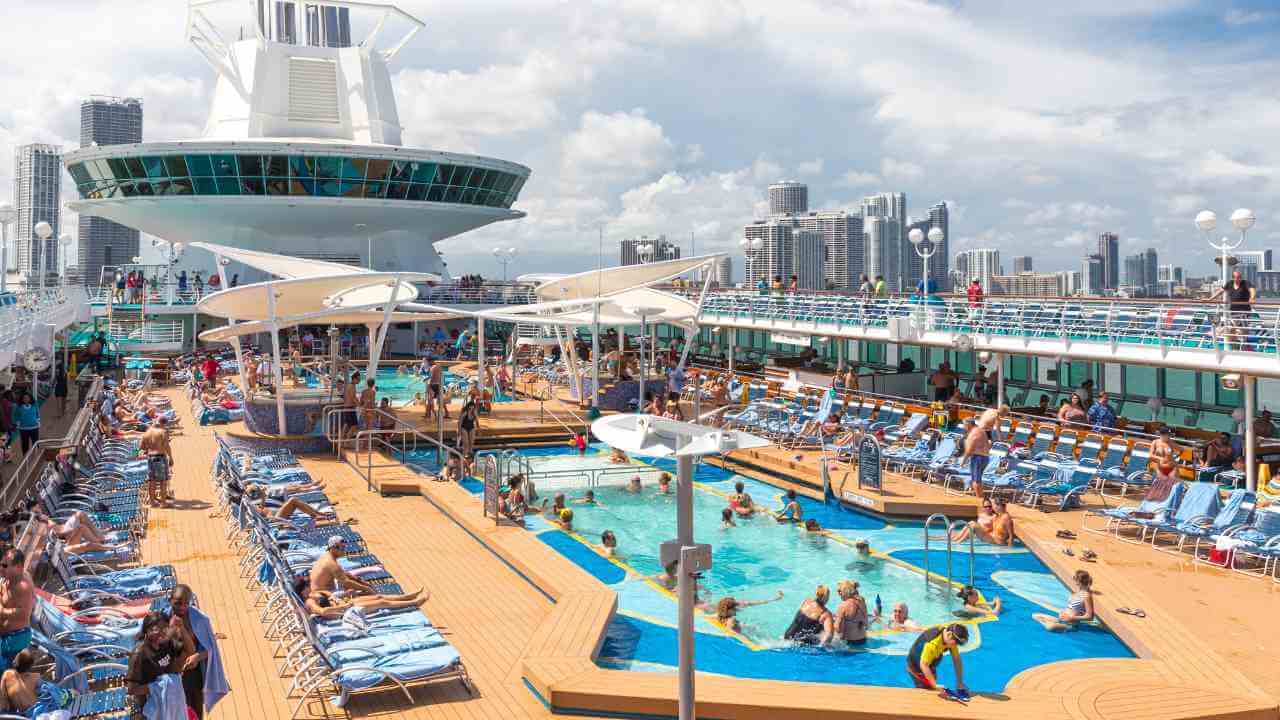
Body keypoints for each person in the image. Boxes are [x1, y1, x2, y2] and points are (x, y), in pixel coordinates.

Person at [167, 584, 229, 719]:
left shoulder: (200, 620)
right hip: (173, 671)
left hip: (194, 673)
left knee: (195, 710)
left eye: (186, 603)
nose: (182, 607)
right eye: (178, 603)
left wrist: (197, 656)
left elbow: (211, 649)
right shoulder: (164, 619)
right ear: (170, 600)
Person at [126, 612, 183, 719]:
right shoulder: (139, 654)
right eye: (156, 629)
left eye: (164, 628)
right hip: (149, 710)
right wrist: (157, 687)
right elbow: (132, 689)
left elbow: (189, 651)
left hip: (167, 704)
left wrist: (181, 628)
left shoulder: (164, 644)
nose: (160, 632)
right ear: (147, 630)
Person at [294, 578, 425, 619]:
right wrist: (343, 606)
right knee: (381, 602)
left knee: (378, 596)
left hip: (343, 604)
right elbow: (323, 612)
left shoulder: (311, 594)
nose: (309, 586)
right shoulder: (309, 602)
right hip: (343, 613)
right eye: (306, 586)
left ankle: (408, 596)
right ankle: (414, 602)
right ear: (302, 591)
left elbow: (326, 593)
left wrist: (338, 597)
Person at [0, 648, 75, 718]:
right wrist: (70, 694)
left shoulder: (6, 676)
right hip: (38, 713)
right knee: (67, 695)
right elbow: (54, 696)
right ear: (31, 665)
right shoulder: (34, 678)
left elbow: (3, 703)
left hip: (21, 716)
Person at [906, 623, 968, 693]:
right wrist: (935, 685)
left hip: (929, 661)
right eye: (956, 642)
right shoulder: (932, 644)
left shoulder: (950, 638)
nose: (956, 645)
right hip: (916, 668)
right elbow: (923, 665)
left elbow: (957, 660)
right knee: (927, 692)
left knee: (933, 685)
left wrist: (960, 683)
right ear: (949, 634)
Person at [0, 549, 33, 673]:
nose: (1, 568)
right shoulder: (6, 580)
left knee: (8, 678)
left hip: (16, 639)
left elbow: (23, 614)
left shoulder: (22, 586)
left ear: (18, 567)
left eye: (5, 566)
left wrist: (2, 611)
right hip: (6, 640)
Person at [309, 536, 375, 597]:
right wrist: (366, 588)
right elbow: (346, 583)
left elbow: (343, 573)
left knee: (351, 580)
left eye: (344, 547)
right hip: (322, 594)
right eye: (342, 548)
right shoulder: (331, 563)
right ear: (333, 548)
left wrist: (359, 581)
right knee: (366, 593)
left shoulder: (326, 556)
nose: (344, 550)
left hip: (322, 588)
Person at [139, 420, 175, 507]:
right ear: (160, 426)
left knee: (152, 481)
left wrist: (148, 449)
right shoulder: (162, 432)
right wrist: (170, 457)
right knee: (163, 481)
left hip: (150, 458)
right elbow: (167, 446)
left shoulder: (146, 434)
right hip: (160, 458)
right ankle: (163, 503)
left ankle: (152, 503)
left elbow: (141, 448)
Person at [712, 592, 784, 633]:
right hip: (739, 632)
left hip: (736, 625)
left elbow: (751, 603)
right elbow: (731, 633)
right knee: (755, 628)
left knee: (750, 627)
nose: (736, 609)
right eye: (735, 608)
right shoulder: (731, 620)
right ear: (729, 610)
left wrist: (775, 599)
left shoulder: (718, 614)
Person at [957, 416, 991, 500]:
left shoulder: (974, 433)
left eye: (964, 425)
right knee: (977, 479)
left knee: (976, 480)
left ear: (968, 424)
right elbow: (988, 444)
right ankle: (979, 498)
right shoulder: (981, 431)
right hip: (984, 457)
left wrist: (963, 460)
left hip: (978, 457)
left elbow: (970, 449)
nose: (964, 427)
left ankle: (980, 500)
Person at [833, 580, 870, 645]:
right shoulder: (862, 601)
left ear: (845, 591)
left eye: (839, 591)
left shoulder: (843, 606)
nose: (838, 594)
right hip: (863, 640)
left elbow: (837, 629)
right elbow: (866, 624)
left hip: (849, 642)